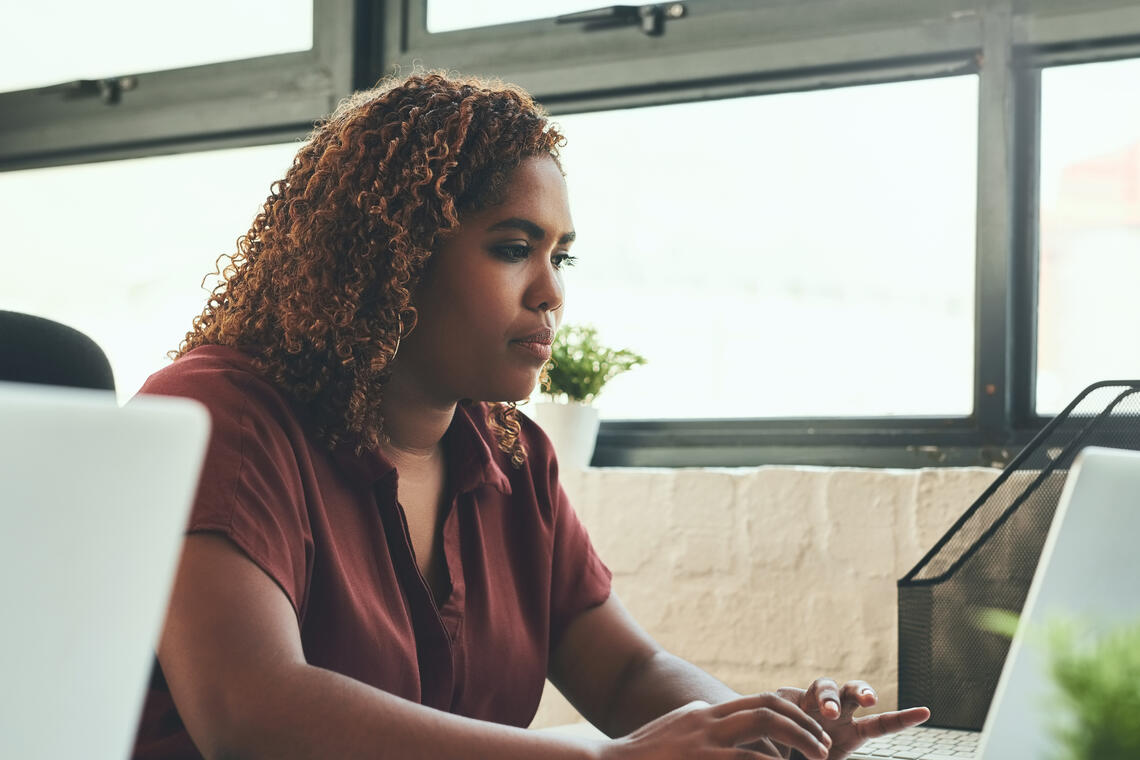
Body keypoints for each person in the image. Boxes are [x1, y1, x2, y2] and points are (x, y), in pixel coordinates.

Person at [131, 71, 929, 760]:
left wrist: (763, 735)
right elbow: (251, 710)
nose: (551, 292)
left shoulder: (512, 457)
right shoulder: (215, 417)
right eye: (514, 248)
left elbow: (628, 672)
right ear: (394, 258)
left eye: (560, 255)